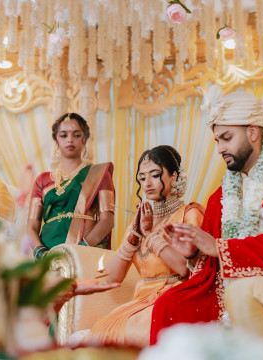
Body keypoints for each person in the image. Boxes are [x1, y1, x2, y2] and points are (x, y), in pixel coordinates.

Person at [150, 88, 263, 346]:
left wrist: (220, 247)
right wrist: (193, 254)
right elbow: (211, 264)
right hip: (229, 286)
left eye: (226, 138)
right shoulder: (222, 195)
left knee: (241, 294)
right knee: (169, 304)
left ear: (253, 132)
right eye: (217, 141)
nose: (220, 149)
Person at [82, 146, 204, 348]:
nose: (147, 183)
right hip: (142, 299)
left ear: (174, 176)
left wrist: (150, 236)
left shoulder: (189, 214)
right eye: (142, 178)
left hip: (175, 298)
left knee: (131, 336)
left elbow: (184, 268)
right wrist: (134, 236)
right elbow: (113, 277)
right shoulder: (139, 223)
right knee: (99, 333)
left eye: (155, 175)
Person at [28, 113, 115, 258]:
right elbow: (31, 227)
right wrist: (40, 253)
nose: (70, 139)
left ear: (85, 138)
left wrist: (81, 250)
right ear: (56, 140)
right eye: (63, 135)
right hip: (48, 254)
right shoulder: (42, 180)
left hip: (85, 252)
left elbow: (107, 221)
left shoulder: (98, 174)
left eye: (76, 135)